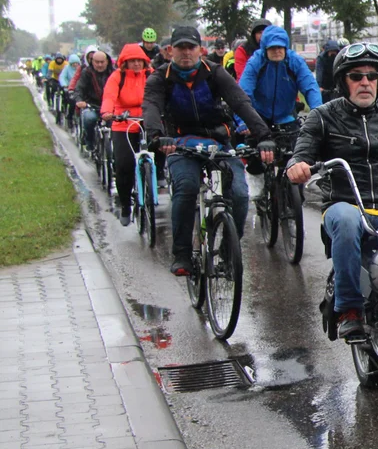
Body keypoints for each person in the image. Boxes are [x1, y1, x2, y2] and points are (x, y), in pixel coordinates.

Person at [284, 44, 378, 338]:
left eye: (372, 76)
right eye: (356, 76)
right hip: (345, 205)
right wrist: (297, 164)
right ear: (342, 82)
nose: (365, 82)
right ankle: (349, 308)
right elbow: (302, 151)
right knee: (348, 221)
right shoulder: (323, 117)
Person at [142, 26, 275, 277]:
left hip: (218, 142)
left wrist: (264, 136)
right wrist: (157, 136)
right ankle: (181, 253)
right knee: (186, 187)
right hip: (179, 143)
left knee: (239, 194)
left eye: (191, 48)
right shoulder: (159, 78)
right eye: (180, 48)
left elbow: (240, 103)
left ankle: (228, 249)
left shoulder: (215, 73)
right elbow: (151, 107)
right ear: (171, 51)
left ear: (200, 50)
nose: (186, 53)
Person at [102, 45, 153, 226]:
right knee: (124, 165)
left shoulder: (150, 75)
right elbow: (109, 96)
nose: (137, 64)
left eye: (140, 60)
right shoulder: (117, 76)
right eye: (133, 61)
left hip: (147, 120)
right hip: (123, 123)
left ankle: (158, 175)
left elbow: (163, 93)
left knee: (164, 145)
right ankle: (125, 204)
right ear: (125, 63)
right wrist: (108, 111)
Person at [239, 25, 323, 129]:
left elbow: (310, 87)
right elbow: (244, 92)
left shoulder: (295, 61)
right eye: (272, 47)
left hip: (287, 116)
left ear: (285, 47)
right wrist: (243, 121)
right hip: (259, 116)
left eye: (280, 47)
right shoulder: (255, 61)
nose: (277, 51)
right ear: (265, 48)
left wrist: (317, 116)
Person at [72, 47, 115, 152]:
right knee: (89, 118)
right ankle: (89, 141)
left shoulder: (114, 73)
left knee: (116, 125)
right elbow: (79, 88)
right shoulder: (86, 73)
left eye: (102, 62)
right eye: (97, 62)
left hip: (110, 107)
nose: (99, 65)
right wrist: (79, 100)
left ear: (107, 61)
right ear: (92, 62)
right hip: (91, 105)